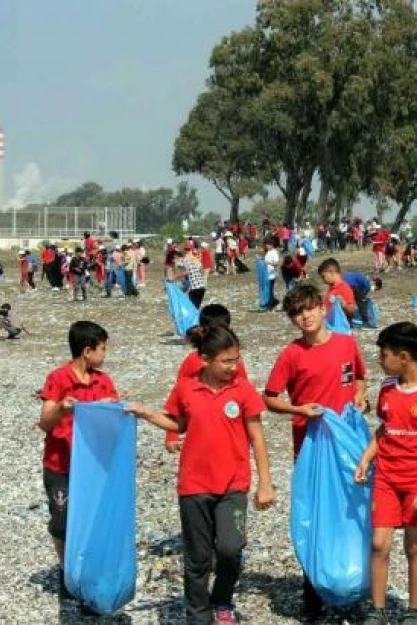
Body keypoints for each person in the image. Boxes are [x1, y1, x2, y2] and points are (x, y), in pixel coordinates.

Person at [128, 325, 274, 625]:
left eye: (237, 360)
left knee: (231, 550)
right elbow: (176, 424)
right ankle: (198, 614)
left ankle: (222, 600)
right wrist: (142, 412)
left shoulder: (243, 389)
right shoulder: (186, 387)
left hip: (234, 485)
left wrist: (265, 483)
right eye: (227, 361)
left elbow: (257, 437)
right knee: (198, 558)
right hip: (194, 486)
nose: (234, 367)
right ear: (205, 359)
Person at [263, 284, 367, 620]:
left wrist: (360, 397)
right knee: (315, 518)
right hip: (310, 449)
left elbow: (361, 378)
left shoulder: (346, 343)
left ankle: (353, 585)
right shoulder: (291, 354)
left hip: (348, 447)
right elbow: (269, 397)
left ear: (324, 309)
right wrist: (299, 410)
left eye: (309, 309)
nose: (304, 317)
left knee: (353, 513)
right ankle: (314, 596)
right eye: (296, 312)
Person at [355, 322, 417, 625]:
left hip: (416, 481)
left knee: (414, 546)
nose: (380, 362)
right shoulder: (387, 387)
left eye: (384, 356)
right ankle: (378, 609)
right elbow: (385, 428)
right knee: (379, 543)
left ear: (404, 357)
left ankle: (414, 610)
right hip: (385, 477)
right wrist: (366, 459)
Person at [35, 321, 120, 594]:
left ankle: (88, 568)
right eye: (102, 349)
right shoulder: (58, 379)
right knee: (61, 522)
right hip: (60, 465)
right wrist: (61, 408)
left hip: (94, 468)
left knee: (91, 520)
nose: (104, 355)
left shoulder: (103, 381)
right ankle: (65, 569)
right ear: (87, 351)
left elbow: (116, 421)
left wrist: (113, 408)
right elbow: (45, 422)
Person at [164, 304, 249, 453]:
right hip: (200, 432)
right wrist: (172, 435)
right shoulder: (192, 361)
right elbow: (178, 400)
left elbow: (246, 397)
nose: (231, 366)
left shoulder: (234, 363)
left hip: (230, 430)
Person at [175, 244, 208, 309]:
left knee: (192, 307)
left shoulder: (182, 261)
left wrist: (174, 277)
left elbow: (187, 272)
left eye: (174, 258)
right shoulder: (188, 261)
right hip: (202, 287)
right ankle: (196, 317)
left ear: (177, 257)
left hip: (196, 288)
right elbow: (192, 275)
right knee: (195, 307)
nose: (173, 261)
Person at [262, 238, 281, 311]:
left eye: (267, 245)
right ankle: (274, 302)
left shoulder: (274, 252)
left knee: (269, 290)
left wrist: (268, 263)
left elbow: (277, 263)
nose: (266, 246)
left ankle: (270, 305)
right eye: (266, 245)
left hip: (271, 275)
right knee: (268, 290)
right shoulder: (268, 252)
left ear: (271, 245)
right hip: (266, 274)